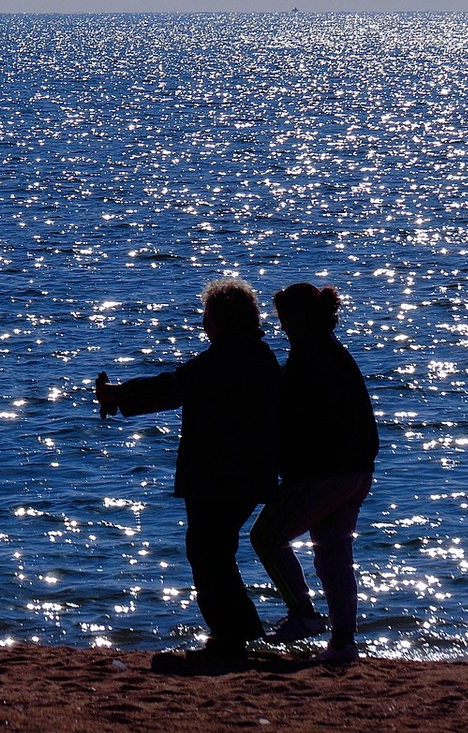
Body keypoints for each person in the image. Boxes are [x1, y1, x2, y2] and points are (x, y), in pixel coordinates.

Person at [96, 279, 281, 657]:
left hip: (221, 473)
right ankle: (240, 631)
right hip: (246, 472)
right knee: (215, 550)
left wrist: (117, 394)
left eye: (207, 315)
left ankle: (232, 634)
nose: (202, 322)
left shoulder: (228, 356)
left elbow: (175, 386)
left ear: (222, 319)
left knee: (208, 550)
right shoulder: (257, 354)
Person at [250, 283, 378, 664]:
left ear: (300, 318)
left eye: (284, 318)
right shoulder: (334, 353)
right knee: (334, 555)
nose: (281, 326)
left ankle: (303, 613)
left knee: (266, 536)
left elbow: (292, 420)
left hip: (324, 472)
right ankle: (343, 643)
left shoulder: (309, 358)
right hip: (356, 471)